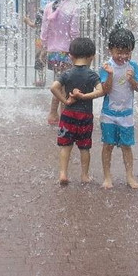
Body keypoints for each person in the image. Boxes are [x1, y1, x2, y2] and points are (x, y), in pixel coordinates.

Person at [50, 37, 104, 185]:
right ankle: (84, 175)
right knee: (84, 147)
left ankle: (62, 174)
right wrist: (85, 96)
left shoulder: (67, 74)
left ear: (71, 56)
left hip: (68, 115)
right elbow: (101, 91)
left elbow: (53, 87)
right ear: (92, 57)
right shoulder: (92, 75)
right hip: (85, 116)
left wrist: (65, 101)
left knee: (65, 146)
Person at [99, 28, 138, 189]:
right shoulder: (106, 67)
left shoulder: (133, 66)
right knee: (108, 145)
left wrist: (132, 81)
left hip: (126, 114)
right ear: (110, 50)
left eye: (127, 52)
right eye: (119, 52)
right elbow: (104, 90)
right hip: (109, 114)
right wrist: (110, 75)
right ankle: (107, 176)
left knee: (126, 146)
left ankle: (130, 176)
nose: (123, 56)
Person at [41, 0, 80, 125]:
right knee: (65, 85)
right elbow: (74, 32)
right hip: (68, 52)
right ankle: (60, 114)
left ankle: (54, 114)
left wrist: (44, 47)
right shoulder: (73, 7)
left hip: (53, 51)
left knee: (58, 82)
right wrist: (77, 51)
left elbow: (44, 31)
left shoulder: (49, 6)